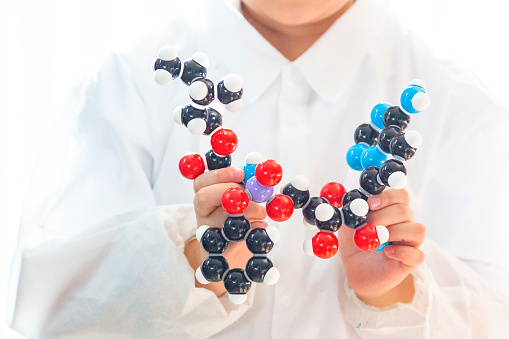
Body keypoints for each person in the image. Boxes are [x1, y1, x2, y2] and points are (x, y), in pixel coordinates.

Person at [7, 0, 509, 337]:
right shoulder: (130, 80)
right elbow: (55, 317)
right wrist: (196, 269)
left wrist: (391, 294)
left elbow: (490, 318)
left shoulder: (460, 106)